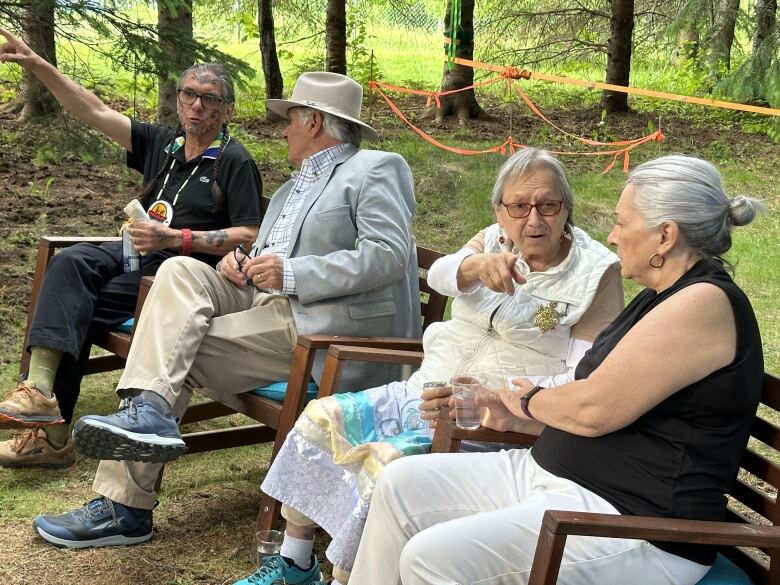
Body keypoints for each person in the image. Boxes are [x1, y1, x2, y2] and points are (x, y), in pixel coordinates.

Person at [31, 71, 420, 553]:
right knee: (178, 270)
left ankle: (124, 508)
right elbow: (267, 251)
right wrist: (243, 262)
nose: (284, 130)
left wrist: (291, 272)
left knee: (173, 355)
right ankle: (149, 413)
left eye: (292, 120)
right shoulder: (290, 189)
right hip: (267, 305)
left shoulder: (377, 168)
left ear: (315, 122)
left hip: (323, 330)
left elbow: (388, 255)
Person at [348, 154, 766, 585]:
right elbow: (596, 394)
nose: (612, 235)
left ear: (665, 236)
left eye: (622, 223)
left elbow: (594, 408)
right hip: (558, 478)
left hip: (633, 521)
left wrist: (524, 400)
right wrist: (507, 408)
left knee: (432, 558)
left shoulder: (704, 304)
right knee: (399, 485)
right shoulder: (660, 295)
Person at [241, 148, 625, 585]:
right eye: (518, 206)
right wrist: (474, 265)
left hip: (487, 417)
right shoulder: (491, 239)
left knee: (385, 465)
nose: (533, 220)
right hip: (424, 388)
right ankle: (296, 561)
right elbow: (441, 275)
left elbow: (580, 376)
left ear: (566, 208)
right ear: (499, 210)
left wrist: (495, 400)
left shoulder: (595, 272)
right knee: (321, 416)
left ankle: (349, 576)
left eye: (548, 205)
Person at [0, 28, 263, 469]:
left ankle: (54, 437)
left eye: (211, 99)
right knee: (72, 263)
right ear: (179, 100)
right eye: (190, 95)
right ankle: (40, 393)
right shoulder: (165, 145)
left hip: (180, 275)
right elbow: (92, 109)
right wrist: (35, 63)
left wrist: (177, 239)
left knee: (72, 304)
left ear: (227, 109)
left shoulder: (235, 162)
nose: (198, 105)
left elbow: (251, 235)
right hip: (135, 254)